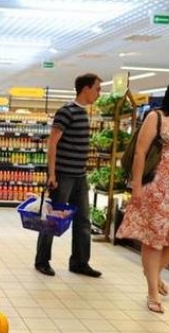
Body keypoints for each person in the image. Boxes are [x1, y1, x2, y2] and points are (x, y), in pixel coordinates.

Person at [116, 75, 169, 314]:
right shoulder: (156, 117)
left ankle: (152, 272)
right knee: (154, 238)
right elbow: (140, 152)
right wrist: (136, 186)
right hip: (160, 186)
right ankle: (153, 292)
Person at [34, 73, 103, 278]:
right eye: (97, 89)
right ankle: (42, 260)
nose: (99, 93)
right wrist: (52, 174)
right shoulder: (66, 111)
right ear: (86, 89)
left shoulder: (83, 113)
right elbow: (52, 143)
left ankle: (80, 262)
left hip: (80, 176)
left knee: (83, 220)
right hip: (63, 175)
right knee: (52, 219)